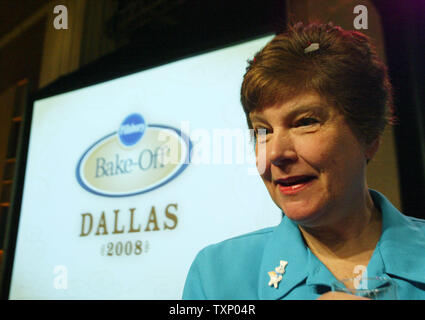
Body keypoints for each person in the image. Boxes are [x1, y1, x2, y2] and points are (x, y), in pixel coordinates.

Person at [182, 22, 425, 300]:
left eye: (305, 122)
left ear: (369, 136)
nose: (276, 153)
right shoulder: (216, 275)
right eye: (263, 131)